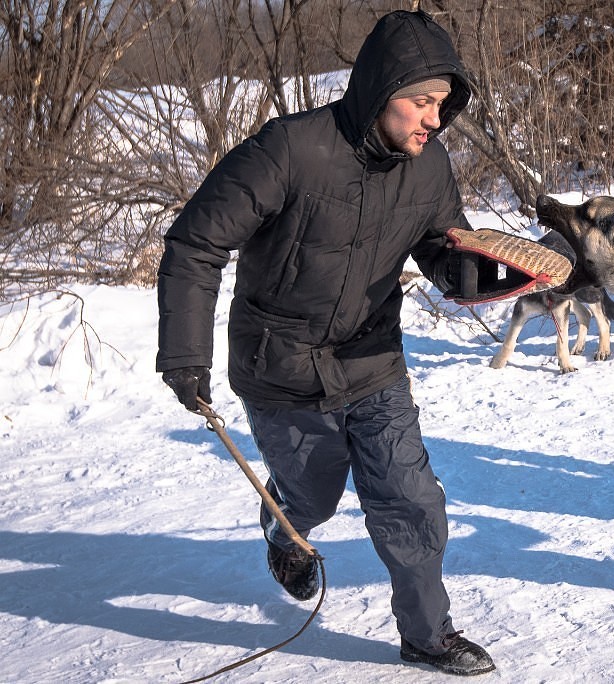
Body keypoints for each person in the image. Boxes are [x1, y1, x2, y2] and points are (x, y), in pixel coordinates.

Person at [156, 10, 496, 677]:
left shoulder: (428, 168)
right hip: (280, 366)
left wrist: (487, 274)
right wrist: (183, 354)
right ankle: (284, 524)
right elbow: (197, 242)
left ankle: (428, 635)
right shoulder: (290, 149)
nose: (435, 118)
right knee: (311, 496)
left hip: (371, 361)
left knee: (410, 498)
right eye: (421, 102)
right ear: (379, 91)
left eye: (442, 105)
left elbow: (444, 247)